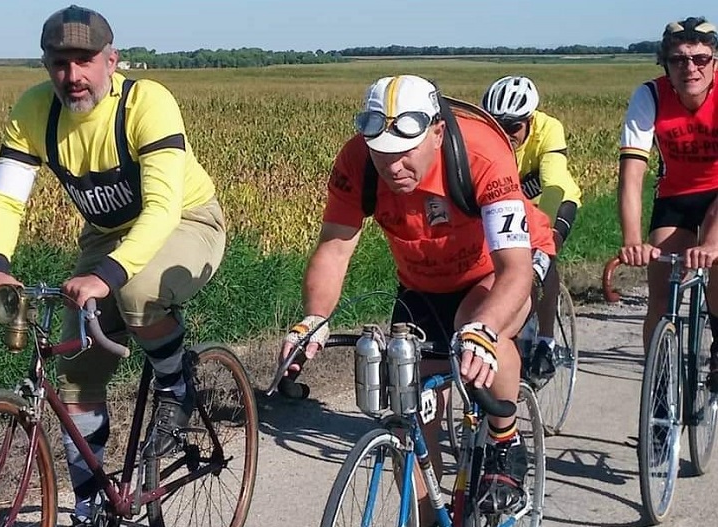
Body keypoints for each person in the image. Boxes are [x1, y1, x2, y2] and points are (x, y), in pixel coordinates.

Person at [0, 5, 227, 525]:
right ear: (46, 66)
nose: (73, 76)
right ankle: (89, 506)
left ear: (112, 61)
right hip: (106, 236)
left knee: (135, 293)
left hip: (186, 221)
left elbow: (159, 210)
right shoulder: (35, 112)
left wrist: (107, 276)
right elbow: (6, 201)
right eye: (60, 63)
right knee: (76, 372)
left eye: (85, 60)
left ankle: (176, 384)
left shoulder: (145, 103)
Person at [279, 74, 557, 523]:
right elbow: (334, 246)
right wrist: (313, 318)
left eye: (405, 153)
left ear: (437, 133)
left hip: (489, 275)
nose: (393, 167)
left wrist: (485, 332)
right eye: (382, 154)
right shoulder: (358, 161)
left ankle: (506, 443)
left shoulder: (481, 151)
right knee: (411, 424)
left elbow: (514, 269)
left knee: (476, 329)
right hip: (420, 285)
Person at [617, 16, 718, 391]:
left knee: (715, 262)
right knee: (660, 295)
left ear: (714, 61)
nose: (690, 67)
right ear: (665, 64)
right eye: (678, 60)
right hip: (675, 196)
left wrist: (711, 243)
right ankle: (659, 390)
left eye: (701, 59)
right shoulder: (650, 96)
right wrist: (631, 239)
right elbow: (631, 174)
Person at [481, 75, 583, 384]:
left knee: (543, 254)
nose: (505, 134)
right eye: (498, 126)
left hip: (553, 201)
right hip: (510, 207)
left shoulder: (548, 129)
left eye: (513, 127)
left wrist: (543, 237)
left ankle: (546, 343)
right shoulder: (488, 135)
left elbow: (552, 185)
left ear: (529, 119)